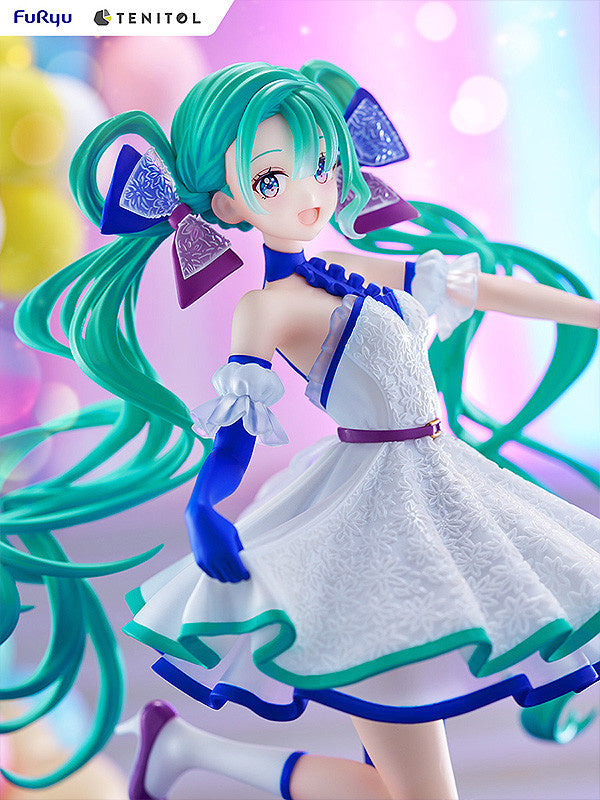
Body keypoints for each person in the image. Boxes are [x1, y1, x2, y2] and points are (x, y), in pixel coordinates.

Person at [4, 61, 600, 799]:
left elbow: (480, 289)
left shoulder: (351, 265)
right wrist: (204, 506)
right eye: (270, 180)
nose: (308, 193)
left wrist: (592, 312)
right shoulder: (268, 308)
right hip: (372, 526)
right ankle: (185, 750)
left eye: (320, 166)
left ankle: (182, 749)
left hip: (442, 488)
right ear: (228, 203)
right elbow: (237, 429)